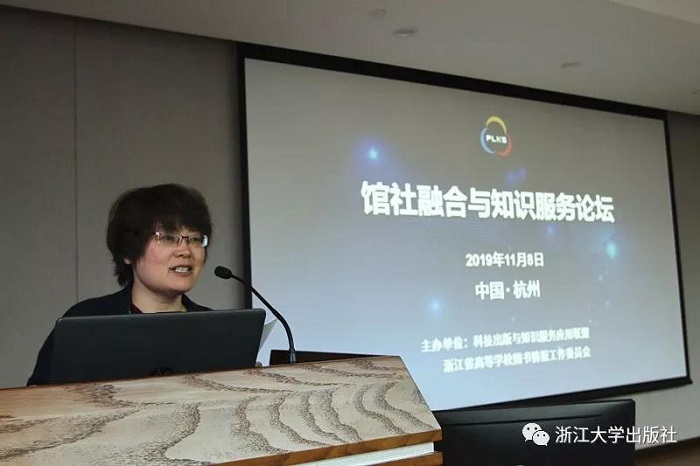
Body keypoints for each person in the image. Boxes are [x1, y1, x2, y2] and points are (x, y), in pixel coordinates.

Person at [27, 183, 213, 385]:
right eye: (168, 238)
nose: (185, 250)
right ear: (128, 251)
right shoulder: (86, 323)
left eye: (195, 239)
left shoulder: (215, 330)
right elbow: (40, 397)